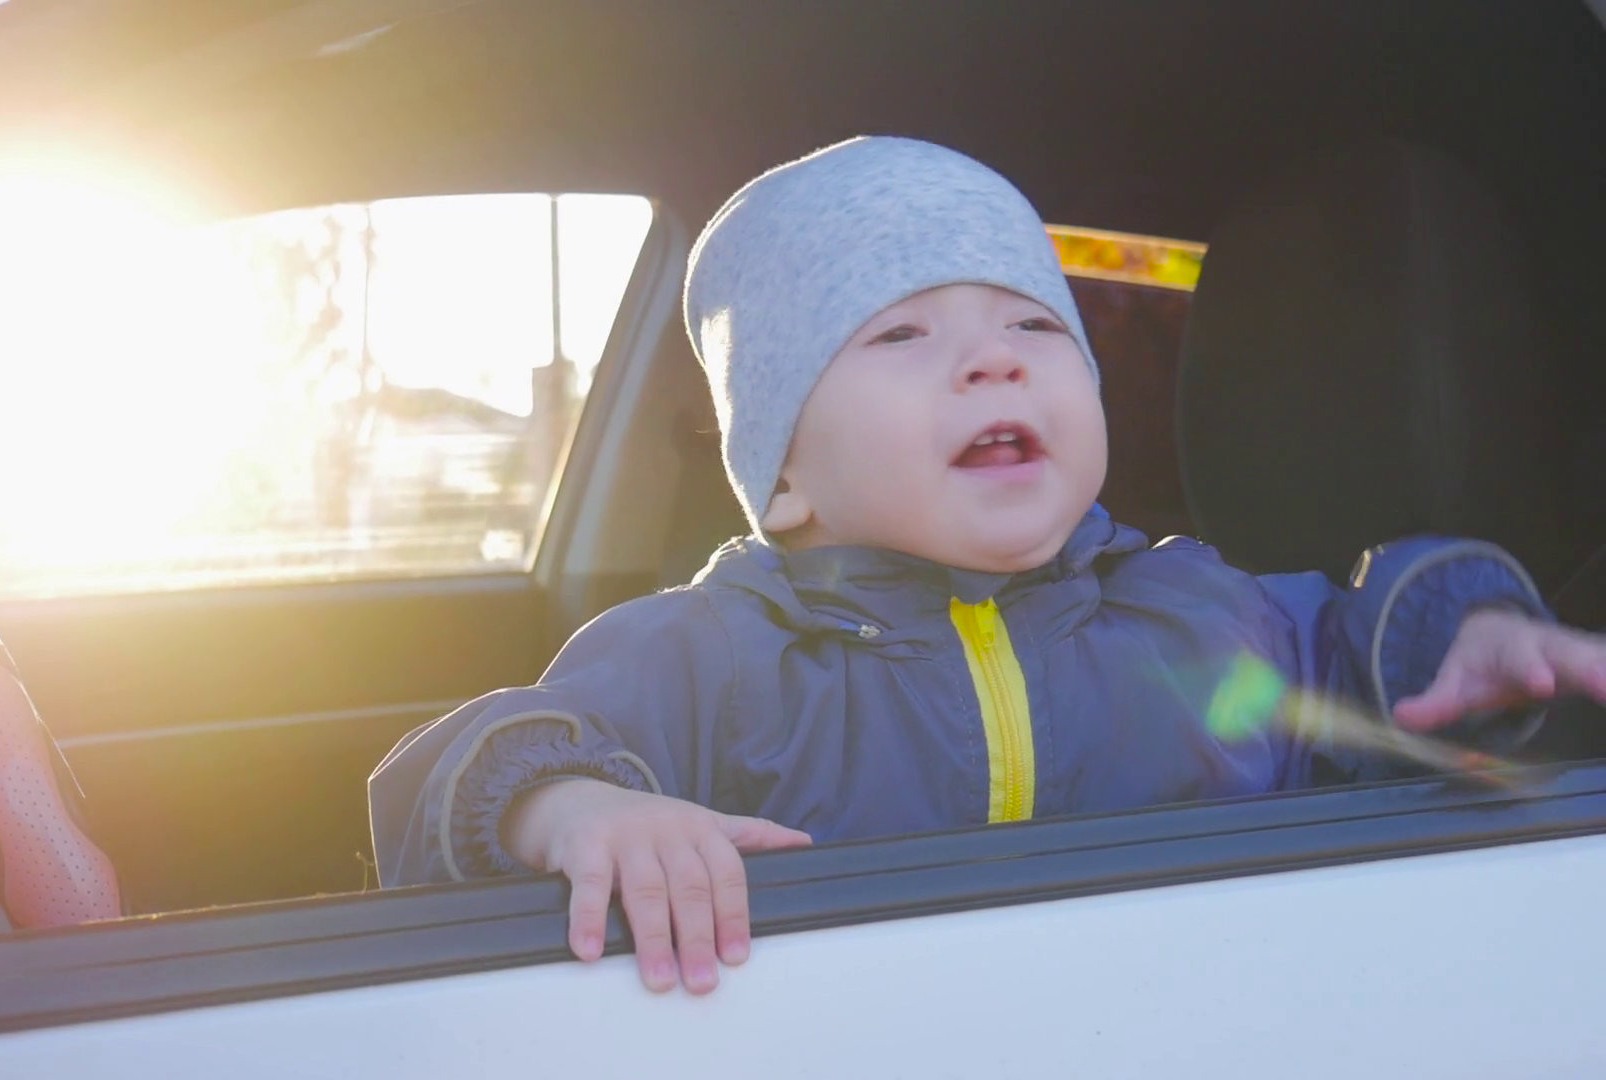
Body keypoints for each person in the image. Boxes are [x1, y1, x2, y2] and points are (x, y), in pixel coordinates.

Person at [368, 136, 1606, 995]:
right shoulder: (713, 660)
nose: (993, 361)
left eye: (1031, 325)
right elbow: (457, 778)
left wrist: (1464, 627)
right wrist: (581, 811)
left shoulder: (1202, 620)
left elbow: (1346, 646)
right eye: (902, 333)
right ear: (783, 478)